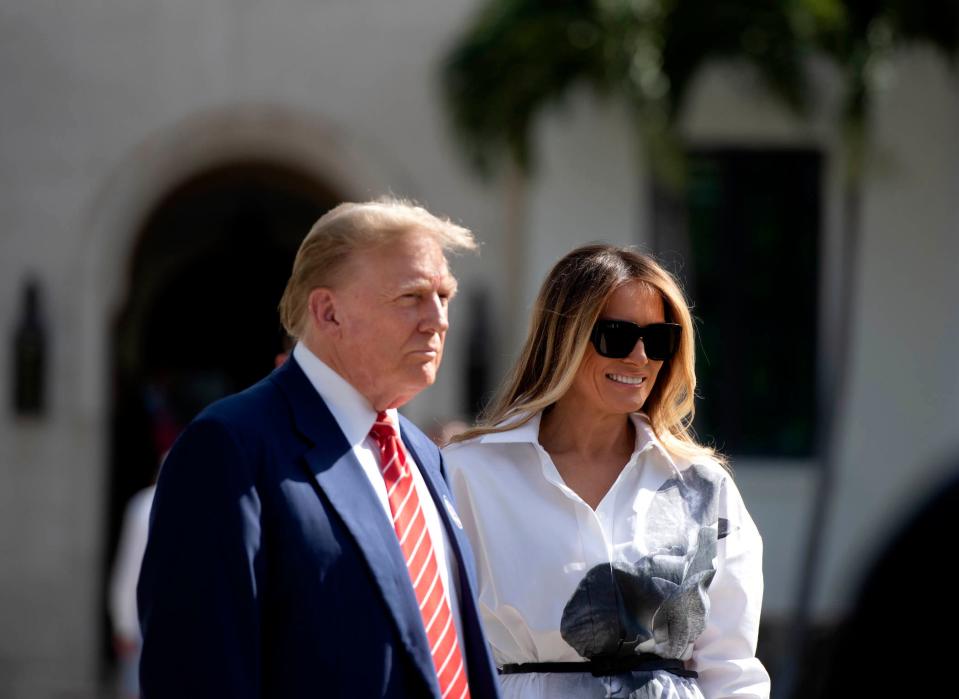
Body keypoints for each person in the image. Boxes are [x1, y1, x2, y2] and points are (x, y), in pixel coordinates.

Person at [138, 198, 501, 699]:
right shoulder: (228, 447)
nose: (437, 319)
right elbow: (197, 673)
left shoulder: (423, 453)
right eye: (411, 296)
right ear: (328, 312)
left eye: (444, 295)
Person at [443, 244, 770, 699]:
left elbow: (731, 667)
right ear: (563, 338)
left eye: (659, 339)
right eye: (616, 335)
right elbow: (437, 642)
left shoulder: (702, 485)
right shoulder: (468, 475)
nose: (640, 357)